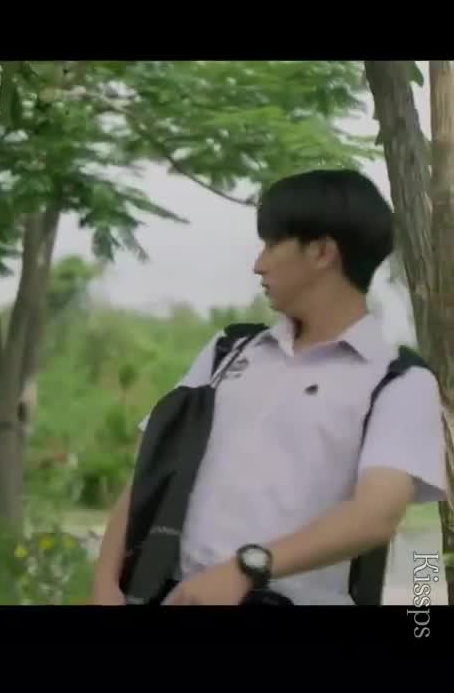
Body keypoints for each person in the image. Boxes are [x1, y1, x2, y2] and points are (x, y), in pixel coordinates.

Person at [91, 168, 447, 606]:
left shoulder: (399, 382)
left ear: (321, 252)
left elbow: (376, 516)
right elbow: (152, 470)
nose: (258, 264)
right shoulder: (227, 352)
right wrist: (105, 583)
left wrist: (247, 567)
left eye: (272, 244)